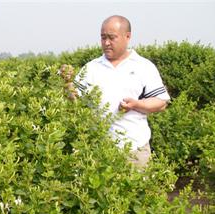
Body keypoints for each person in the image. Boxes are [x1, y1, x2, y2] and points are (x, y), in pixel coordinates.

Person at [71, 15, 170, 168]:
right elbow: (74, 100)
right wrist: (67, 86)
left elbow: (161, 102)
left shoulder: (143, 66)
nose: (106, 43)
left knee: (138, 191)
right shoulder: (91, 68)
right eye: (103, 38)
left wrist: (136, 104)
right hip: (98, 150)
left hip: (134, 150)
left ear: (127, 36)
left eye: (112, 37)